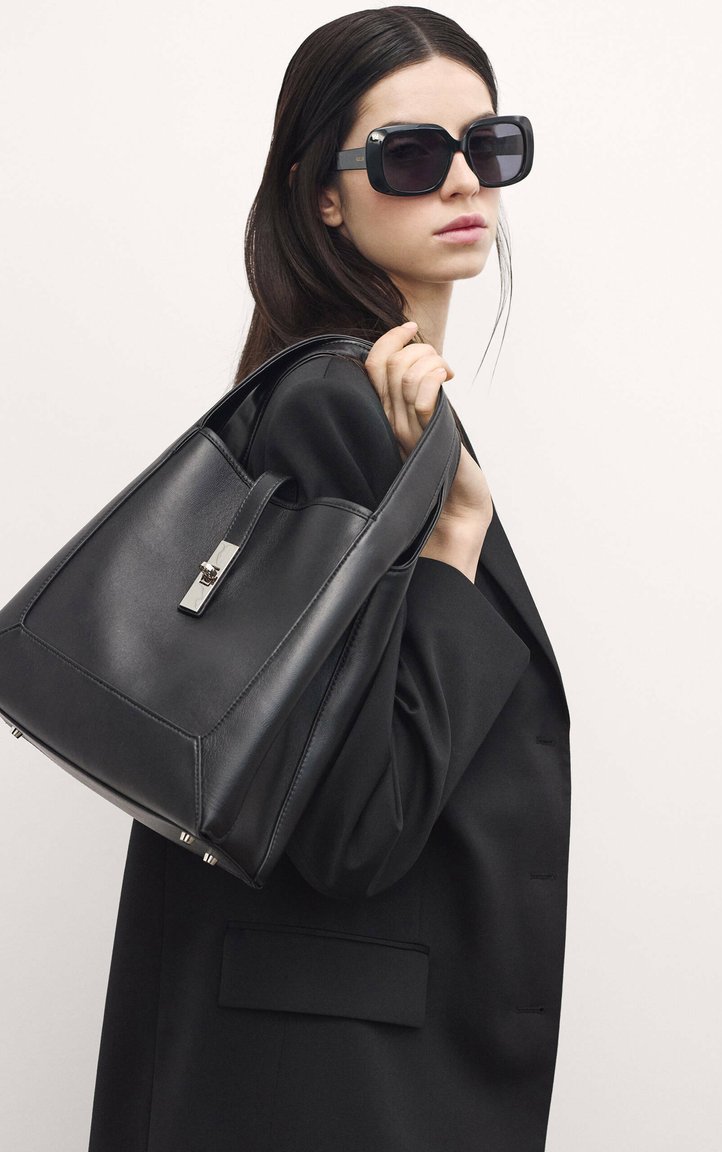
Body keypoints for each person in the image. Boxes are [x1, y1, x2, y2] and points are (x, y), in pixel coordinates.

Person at [88, 7, 571, 1151]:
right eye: (411, 155)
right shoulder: (331, 409)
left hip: (319, 1059)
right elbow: (356, 824)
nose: (463, 180)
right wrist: (453, 539)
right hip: (324, 1082)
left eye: (487, 144)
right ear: (323, 196)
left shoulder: (373, 403)